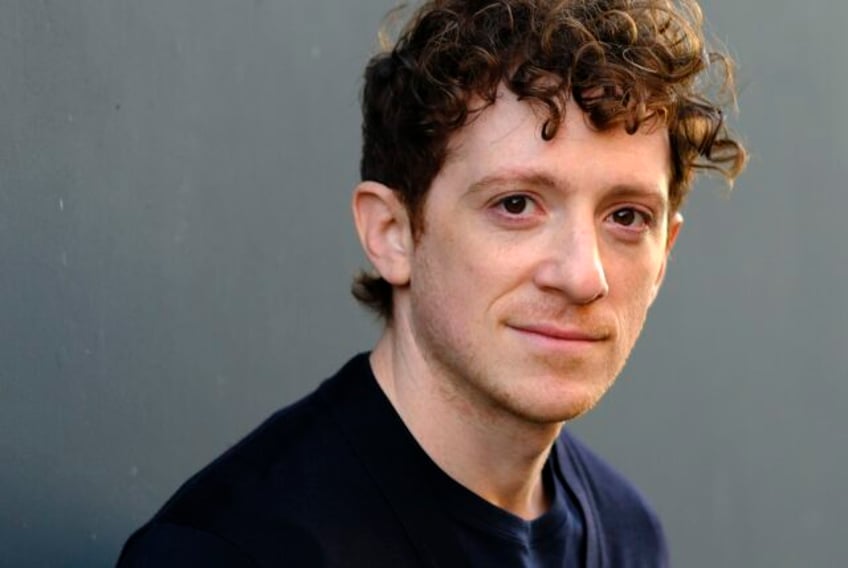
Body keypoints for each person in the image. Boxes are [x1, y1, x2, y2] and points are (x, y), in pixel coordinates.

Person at [117, 0, 746, 566]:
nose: (584, 276)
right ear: (392, 233)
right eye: (516, 205)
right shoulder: (233, 550)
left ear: (664, 254)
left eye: (626, 217)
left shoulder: (628, 534)